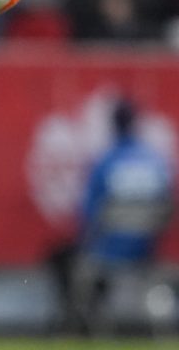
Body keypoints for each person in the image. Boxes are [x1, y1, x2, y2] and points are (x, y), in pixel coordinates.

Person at [71, 97, 175, 334]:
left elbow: (87, 213)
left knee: (79, 269)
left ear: (113, 124)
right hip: (146, 251)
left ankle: (98, 332)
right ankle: (162, 334)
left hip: (109, 252)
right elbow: (168, 207)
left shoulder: (105, 161)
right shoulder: (156, 160)